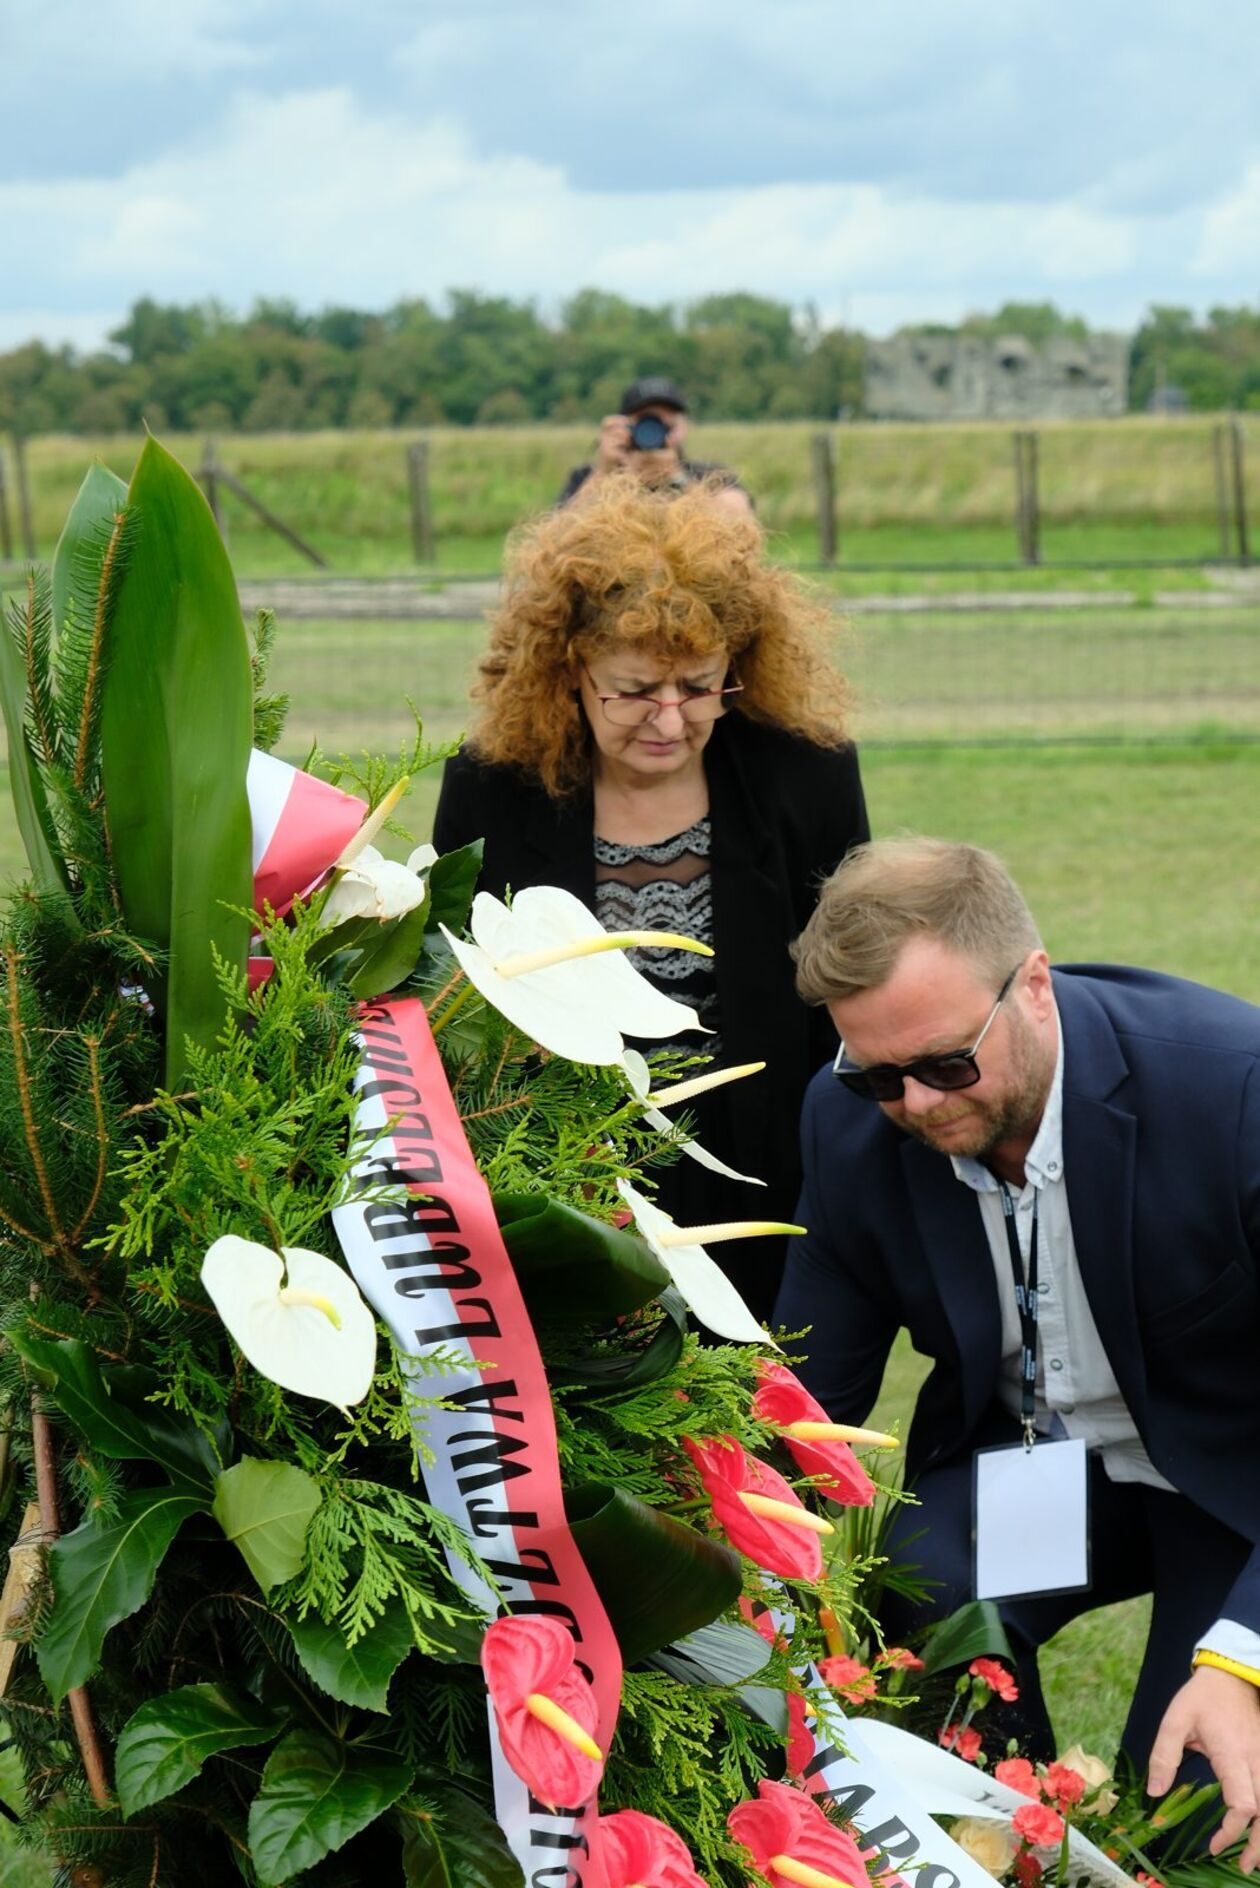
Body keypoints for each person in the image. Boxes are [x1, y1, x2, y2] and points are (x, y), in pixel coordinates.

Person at [775, 837, 1260, 1869]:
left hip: (1237, 1485)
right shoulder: (848, 1118)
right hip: (1050, 1463)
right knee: (915, 1577)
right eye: (877, 1076)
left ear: (1034, 985)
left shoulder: (1236, 1091)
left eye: (948, 1062)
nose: (914, 1104)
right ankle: (1002, 1847)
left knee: (1193, 1811)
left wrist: (1243, 1659)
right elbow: (809, 1394)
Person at [432, 478, 869, 1323]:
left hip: (774, 1178)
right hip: (574, 1179)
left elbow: (848, 992)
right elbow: (459, 993)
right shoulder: (492, 792)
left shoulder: (806, 777)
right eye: (633, 690)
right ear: (568, 669)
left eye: (700, 687)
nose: (669, 719)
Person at [555, 376, 753, 520]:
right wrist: (605, 472)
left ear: (682, 427)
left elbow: (741, 522)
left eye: (666, 422)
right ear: (623, 425)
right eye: (645, 420)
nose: (654, 431)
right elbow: (558, 538)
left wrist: (677, 478)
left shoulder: (709, 475)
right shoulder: (587, 478)